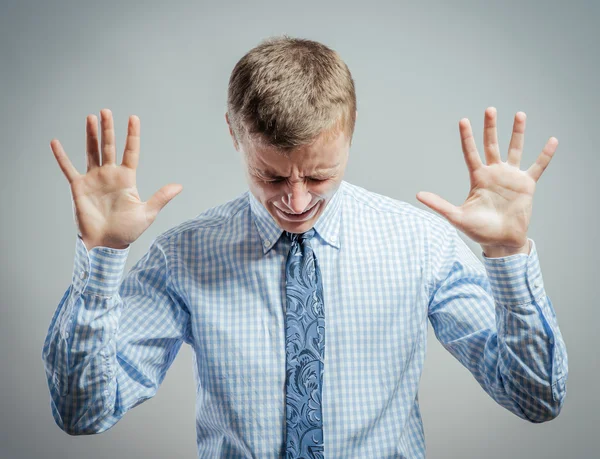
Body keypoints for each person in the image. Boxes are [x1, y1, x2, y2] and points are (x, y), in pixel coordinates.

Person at [41, 35, 568, 458]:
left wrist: (506, 258)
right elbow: (83, 413)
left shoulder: (421, 243)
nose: (295, 200)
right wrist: (102, 258)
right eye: (270, 177)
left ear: (351, 133)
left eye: (318, 176)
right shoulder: (183, 257)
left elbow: (536, 399)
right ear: (234, 134)